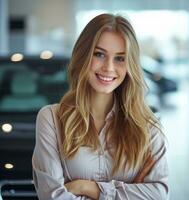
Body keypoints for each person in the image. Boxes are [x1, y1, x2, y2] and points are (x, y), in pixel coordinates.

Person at [32, 13, 169, 200]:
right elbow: (53, 197)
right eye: (99, 54)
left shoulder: (148, 126)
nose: (108, 67)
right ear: (83, 56)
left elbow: (158, 195)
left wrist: (87, 187)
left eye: (120, 58)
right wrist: (129, 192)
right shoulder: (51, 119)